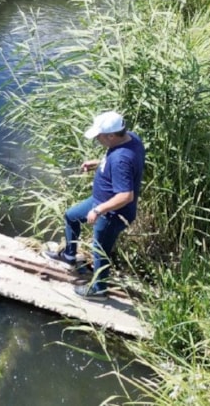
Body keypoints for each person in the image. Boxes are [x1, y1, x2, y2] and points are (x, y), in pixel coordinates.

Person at [44, 111, 145, 301]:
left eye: (99, 136)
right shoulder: (131, 139)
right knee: (71, 216)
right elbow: (122, 163)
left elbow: (126, 195)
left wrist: (99, 210)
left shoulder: (121, 159)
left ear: (111, 136)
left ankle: (99, 290)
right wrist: (99, 163)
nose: (97, 139)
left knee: (100, 250)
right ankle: (69, 256)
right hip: (100, 200)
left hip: (112, 213)